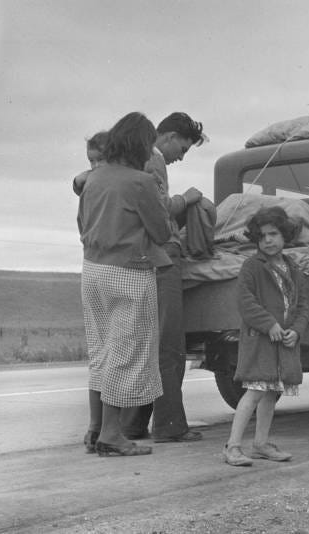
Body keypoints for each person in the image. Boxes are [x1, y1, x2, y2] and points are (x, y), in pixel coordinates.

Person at [78, 112, 171, 456]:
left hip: (92, 270)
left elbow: (81, 225)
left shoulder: (93, 178)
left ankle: (94, 429)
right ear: (140, 145)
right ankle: (112, 434)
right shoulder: (140, 182)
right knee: (126, 350)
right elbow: (161, 231)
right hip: (129, 272)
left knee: (101, 350)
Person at [120, 112, 208, 443]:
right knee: (170, 343)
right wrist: (186, 200)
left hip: (136, 258)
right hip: (162, 256)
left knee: (146, 342)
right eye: (182, 148)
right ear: (168, 137)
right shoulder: (154, 163)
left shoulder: (131, 161)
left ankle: (133, 423)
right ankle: (170, 425)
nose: (181, 157)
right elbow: (158, 209)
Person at [223, 207, 308, 466]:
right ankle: (233, 446)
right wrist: (269, 324)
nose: (268, 240)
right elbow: (245, 302)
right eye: (262, 236)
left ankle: (260, 444)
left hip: (283, 343)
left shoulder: (293, 268)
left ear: (285, 236)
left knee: (271, 393)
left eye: (273, 234)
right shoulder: (252, 266)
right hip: (260, 341)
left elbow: (303, 306)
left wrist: (296, 330)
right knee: (254, 392)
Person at [72, 131, 108, 196]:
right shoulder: (90, 175)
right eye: (91, 161)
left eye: (101, 159)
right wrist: (77, 183)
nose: (96, 165)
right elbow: (81, 192)